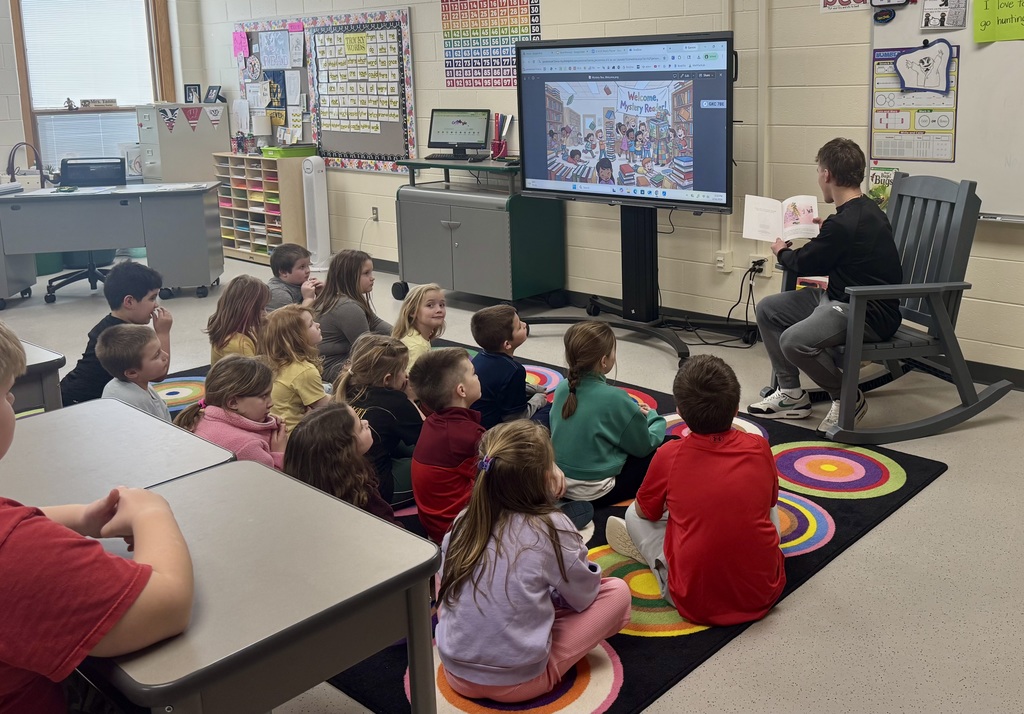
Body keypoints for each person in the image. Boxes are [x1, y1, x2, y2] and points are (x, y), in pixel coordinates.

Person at [0, 320, 193, 713]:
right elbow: (168, 604)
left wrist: (83, 518)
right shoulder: (13, 553)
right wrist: (153, 511)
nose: (14, 402)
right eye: (6, 393)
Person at [435, 420, 631, 703]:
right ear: (544, 479)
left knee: (457, 581)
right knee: (617, 593)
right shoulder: (552, 526)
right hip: (521, 681)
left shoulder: (464, 520)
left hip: (455, 670)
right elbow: (584, 595)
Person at [605, 354, 786, 626]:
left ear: (679, 412)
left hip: (693, 601)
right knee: (766, 504)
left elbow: (646, 512)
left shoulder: (670, 454)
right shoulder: (759, 446)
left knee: (632, 513)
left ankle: (659, 563)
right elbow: (770, 501)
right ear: (736, 408)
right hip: (763, 592)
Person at [747, 138, 903, 433]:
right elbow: (845, 248)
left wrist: (781, 250)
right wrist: (825, 233)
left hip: (865, 310)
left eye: (819, 171)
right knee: (768, 309)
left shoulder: (844, 224)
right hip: (839, 297)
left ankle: (847, 397)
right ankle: (792, 394)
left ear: (827, 174)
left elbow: (804, 263)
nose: (819, 177)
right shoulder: (861, 212)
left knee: (793, 341)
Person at [549, 321, 666, 506]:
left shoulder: (563, 387)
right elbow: (644, 445)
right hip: (596, 492)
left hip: (558, 482)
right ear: (604, 361)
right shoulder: (616, 398)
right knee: (668, 446)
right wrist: (654, 417)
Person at [60, 260, 172, 406]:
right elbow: (158, 374)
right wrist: (163, 333)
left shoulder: (107, 325)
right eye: (152, 298)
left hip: (68, 393)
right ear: (129, 302)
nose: (156, 304)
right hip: (82, 405)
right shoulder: (125, 338)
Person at [335, 333, 422, 506]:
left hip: (341, 477)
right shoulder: (396, 403)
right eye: (403, 370)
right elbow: (430, 435)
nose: (406, 375)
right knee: (432, 467)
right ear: (388, 379)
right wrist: (411, 400)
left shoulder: (346, 387)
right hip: (375, 487)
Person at [408, 347, 484, 543]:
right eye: (474, 374)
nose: (478, 377)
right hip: (460, 533)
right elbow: (500, 476)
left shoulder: (434, 422)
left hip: (436, 525)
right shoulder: (467, 436)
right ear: (461, 390)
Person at [282, 402, 399, 525]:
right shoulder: (362, 496)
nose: (366, 422)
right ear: (345, 451)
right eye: (359, 427)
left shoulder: (304, 492)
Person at [174, 355, 287, 469]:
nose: (271, 403)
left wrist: (267, 423)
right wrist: (280, 452)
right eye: (264, 396)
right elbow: (273, 482)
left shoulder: (199, 418)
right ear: (233, 402)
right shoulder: (248, 446)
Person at [311, 249, 392, 382]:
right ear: (348, 277)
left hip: (340, 359)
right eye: (366, 273)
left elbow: (375, 323)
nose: (372, 277)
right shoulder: (347, 307)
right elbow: (366, 348)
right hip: (332, 367)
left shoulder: (343, 298)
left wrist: (405, 334)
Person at [469, 304, 550, 429]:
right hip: (496, 432)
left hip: (478, 422)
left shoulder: (479, 358)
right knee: (551, 410)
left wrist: (533, 389)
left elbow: (500, 387)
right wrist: (538, 400)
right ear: (507, 344)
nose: (524, 325)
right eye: (519, 327)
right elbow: (515, 419)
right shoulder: (514, 370)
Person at [260, 304, 330, 432]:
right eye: (310, 325)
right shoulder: (304, 370)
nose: (318, 325)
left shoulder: (274, 363)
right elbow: (326, 406)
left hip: (276, 431)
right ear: (297, 338)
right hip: (294, 436)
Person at [96, 324, 172, 422]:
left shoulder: (114, 385)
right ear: (132, 373)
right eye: (156, 355)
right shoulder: (139, 402)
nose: (166, 355)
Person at [207, 274, 270, 365]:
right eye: (261, 309)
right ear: (247, 310)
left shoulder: (243, 330)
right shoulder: (239, 345)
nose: (265, 313)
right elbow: (256, 376)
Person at [392, 282, 446, 370]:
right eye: (430, 305)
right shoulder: (417, 347)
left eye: (441, 305)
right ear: (413, 312)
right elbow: (411, 381)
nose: (439, 310)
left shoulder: (417, 335)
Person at [265, 243, 322, 312]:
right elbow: (297, 321)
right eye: (302, 267)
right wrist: (308, 298)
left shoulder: (298, 282)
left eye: (308, 265)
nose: (308, 271)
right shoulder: (278, 293)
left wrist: (321, 293)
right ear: (284, 272)